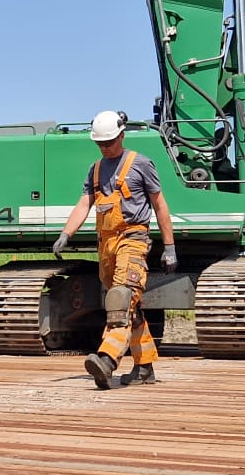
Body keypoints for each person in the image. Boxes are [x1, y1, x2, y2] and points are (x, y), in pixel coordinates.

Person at [51, 110, 177, 389]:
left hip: (133, 238)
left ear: (121, 135)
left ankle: (107, 359)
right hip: (106, 244)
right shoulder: (95, 169)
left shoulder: (140, 164)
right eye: (100, 143)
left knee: (121, 300)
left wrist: (169, 247)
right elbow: (84, 203)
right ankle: (144, 368)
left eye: (109, 142)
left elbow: (160, 205)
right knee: (131, 307)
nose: (105, 147)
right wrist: (66, 233)